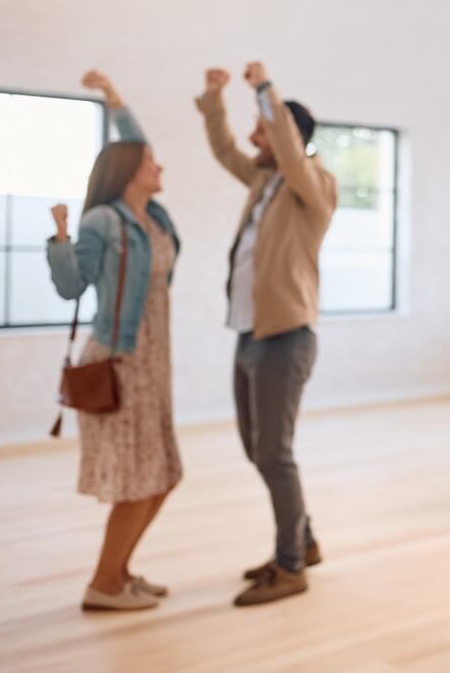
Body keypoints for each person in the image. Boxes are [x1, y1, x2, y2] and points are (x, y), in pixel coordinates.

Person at [195, 61, 337, 607]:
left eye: (262, 129)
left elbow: (288, 149)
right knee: (259, 450)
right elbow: (225, 150)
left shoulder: (313, 186)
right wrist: (214, 100)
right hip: (250, 333)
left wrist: (264, 91)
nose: (253, 139)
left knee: (275, 454)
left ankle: (290, 566)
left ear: (286, 137)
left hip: (285, 335)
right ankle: (304, 540)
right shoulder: (264, 181)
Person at [48, 71, 183, 612]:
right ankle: (104, 585)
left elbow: (135, 144)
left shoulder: (155, 218)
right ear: (129, 171)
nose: (159, 165)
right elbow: (71, 287)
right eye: (150, 161)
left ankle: (120, 573)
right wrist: (61, 237)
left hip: (154, 363)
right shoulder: (105, 221)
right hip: (121, 360)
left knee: (164, 475)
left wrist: (116, 100)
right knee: (139, 480)